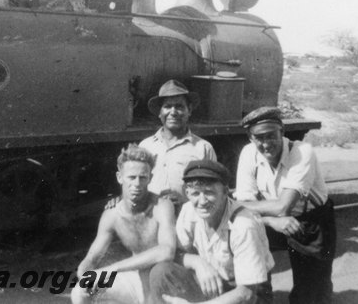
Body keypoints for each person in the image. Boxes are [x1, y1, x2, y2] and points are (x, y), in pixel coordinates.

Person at [234, 106, 336, 304]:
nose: (266, 143)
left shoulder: (301, 151)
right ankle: (260, 299)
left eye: (271, 136)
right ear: (250, 138)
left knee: (311, 294)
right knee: (246, 236)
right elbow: (242, 205)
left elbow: (284, 206)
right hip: (273, 221)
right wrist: (270, 221)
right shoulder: (248, 153)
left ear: (282, 133)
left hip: (311, 221)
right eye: (259, 137)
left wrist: (245, 206)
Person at [147, 159, 275, 304]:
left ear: (225, 192)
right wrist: (197, 262)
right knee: (161, 271)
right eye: (195, 193)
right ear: (186, 192)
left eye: (209, 192)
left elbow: (247, 294)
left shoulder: (243, 224)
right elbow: (173, 253)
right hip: (214, 284)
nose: (202, 201)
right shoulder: (188, 211)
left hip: (249, 294)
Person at [72, 144, 176, 304]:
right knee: (79, 292)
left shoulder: (162, 206)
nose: (137, 183)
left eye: (143, 177)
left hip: (162, 279)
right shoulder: (112, 214)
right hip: (133, 279)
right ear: (120, 177)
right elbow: (92, 257)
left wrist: (111, 269)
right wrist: (85, 274)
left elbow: (166, 251)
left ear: (150, 178)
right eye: (131, 177)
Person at [139, 80, 217, 210]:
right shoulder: (145, 146)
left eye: (179, 106)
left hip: (188, 219)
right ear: (160, 112)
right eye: (167, 106)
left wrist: (185, 202)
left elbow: (213, 190)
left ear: (189, 110)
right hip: (151, 217)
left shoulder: (203, 148)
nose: (173, 112)